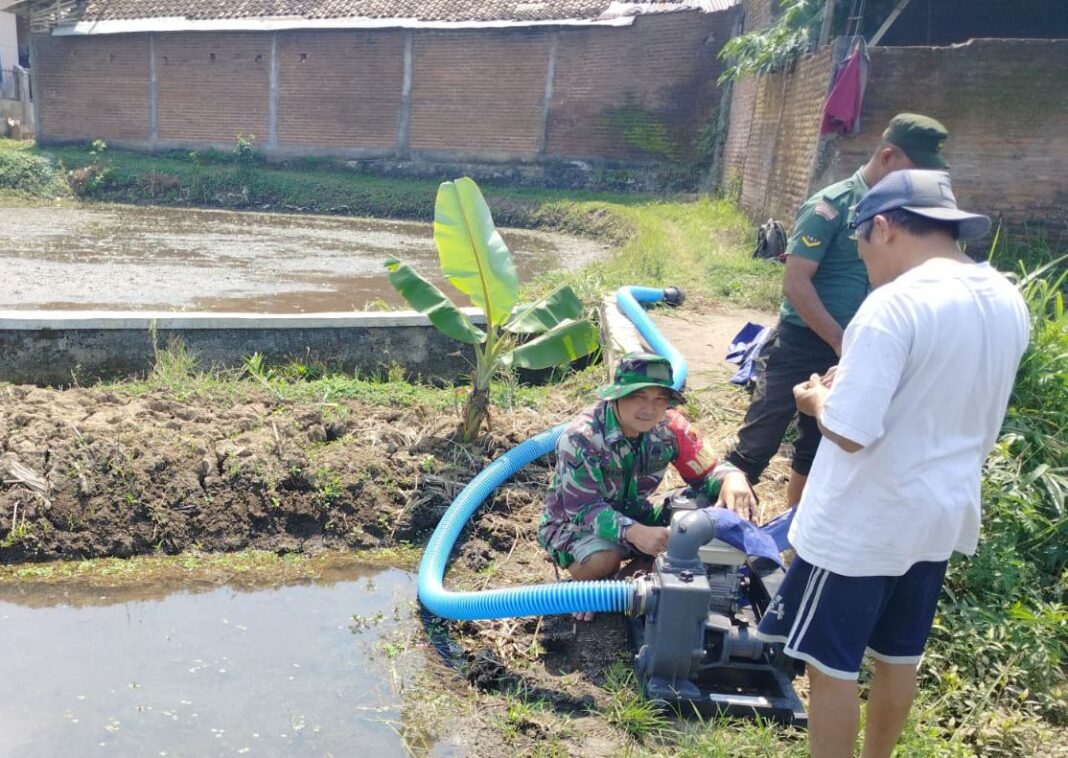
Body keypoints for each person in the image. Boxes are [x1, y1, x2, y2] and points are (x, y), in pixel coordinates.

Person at [754, 170, 1030, 757]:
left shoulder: (894, 304)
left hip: (863, 521)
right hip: (939, 515)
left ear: (881, 227)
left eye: (860, 247)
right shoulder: (1006, 297)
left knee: (831, 668)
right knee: (897, 656)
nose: (865, 264)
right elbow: (937, 391)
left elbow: (848, 433)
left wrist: (816, 399)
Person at [726, 113, 951, 508]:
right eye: (913, 172)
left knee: (820, 444)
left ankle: (796, 536)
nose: (918, 184)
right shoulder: (831, 206)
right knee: (760, 437)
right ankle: (712, 528)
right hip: (804, 340)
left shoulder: (903, 214)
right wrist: (838, 340)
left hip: (854, 346)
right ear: (887, 156)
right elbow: (796, 282)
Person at [538, 352, 755, 619]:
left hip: (637, 512)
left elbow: (707, 473)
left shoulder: (670, 427)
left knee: (707, 511)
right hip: (575, 524)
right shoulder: (582, 437)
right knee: (603, 560)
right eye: (638, 397)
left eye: (659, 399)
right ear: (617, 396)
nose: (649, 409)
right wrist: (634, 532)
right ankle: (596, 586)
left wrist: (732, 477)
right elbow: (583, 508)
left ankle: (629, 582)